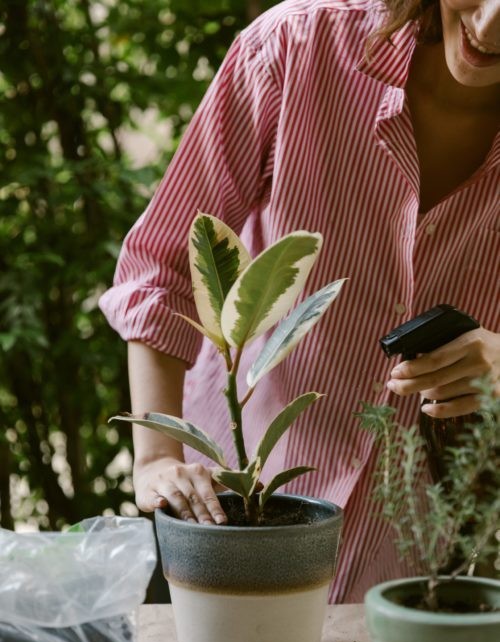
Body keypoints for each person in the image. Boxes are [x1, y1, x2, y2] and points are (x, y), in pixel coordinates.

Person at [100, 0, 500, 603]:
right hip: (232, 524)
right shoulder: (296, 46)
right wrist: (157, 457)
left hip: (420, 571)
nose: (490, 25)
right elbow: (163, 268)